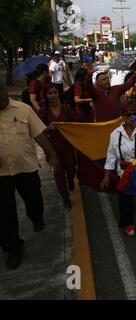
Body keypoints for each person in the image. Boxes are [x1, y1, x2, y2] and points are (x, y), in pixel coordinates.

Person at [0, 77, 60, 270]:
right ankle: (13, 248)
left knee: (33, 198)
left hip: (26, 167)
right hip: (1, 174)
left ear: (5, 90)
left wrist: (52, 156)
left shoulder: (23, 109)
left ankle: (36, 216)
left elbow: (39, 134)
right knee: (4, 213)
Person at [101, 98, 136, 237]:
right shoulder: (115, 134)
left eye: (134, 114)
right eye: (128, 114)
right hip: (124, 171)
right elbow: (111, 155)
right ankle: (128, 223)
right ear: (123, 116)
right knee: (125, 200)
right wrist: (107, 176)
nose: (131, 117)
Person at [38, 85, 77, 209]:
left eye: (55, 92)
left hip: (67, 147)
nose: (53, 95)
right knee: (58, 175)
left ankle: (70, 179)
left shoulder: (66, 109)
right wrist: (47, 128)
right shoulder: (43, 112)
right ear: (46, 96)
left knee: (71, 169)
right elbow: (37, 130)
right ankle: (65, 198)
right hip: (52, 150)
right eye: (50, 93)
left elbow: (75, 124)